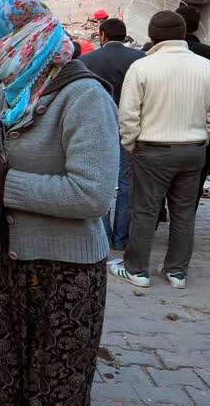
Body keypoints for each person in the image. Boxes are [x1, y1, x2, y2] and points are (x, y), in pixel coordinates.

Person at [0, 0, 116, 405]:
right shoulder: (13, 90)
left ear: (24, 38)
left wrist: (4, 181)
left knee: (54, 388)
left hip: (61, 274)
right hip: (3, 261)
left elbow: (93, 194)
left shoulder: (84, 96)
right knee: (2, 380)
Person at [112, 11, 210, 289]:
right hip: (194, 150)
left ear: (152, 36)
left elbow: (128, 114)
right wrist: (201, 139)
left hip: (152, 150)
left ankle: (136, 269)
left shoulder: (143, 66)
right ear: (184, 33)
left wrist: (130, 144)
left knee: (144, 211)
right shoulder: (206, 66)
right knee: (184, 212)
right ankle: (176, 272)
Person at [78, 17, 146, 248]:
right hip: (131, 127)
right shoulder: (140, 59)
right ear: (124, 36)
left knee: (101, 180)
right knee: (126, 182)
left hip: (97, 127)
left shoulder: (87, 60)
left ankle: (103, 236)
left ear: (102, 36)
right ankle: (121, 239)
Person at [175, 5, 210, 206]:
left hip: (161, 135)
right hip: (202, 133)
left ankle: (159, 212)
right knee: (194, 183)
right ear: (197, 26)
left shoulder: (153, 56)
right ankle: (186, 218)